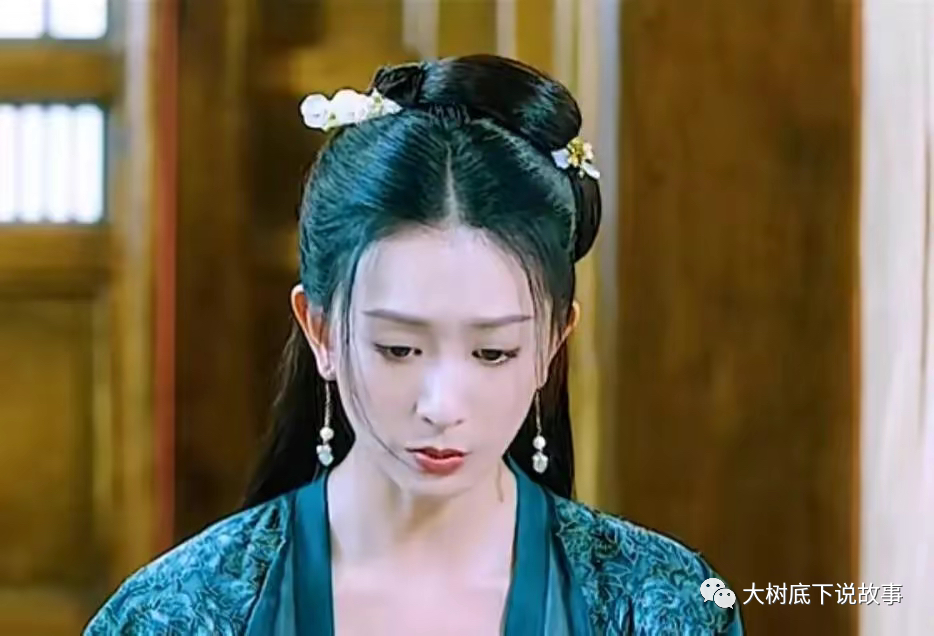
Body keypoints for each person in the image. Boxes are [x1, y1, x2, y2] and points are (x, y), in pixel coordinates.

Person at [85, 54, 743, 635]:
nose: (442, 405)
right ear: (321, 331)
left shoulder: (658, 608)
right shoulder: (179, 614)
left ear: (552, 341)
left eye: (493, 352)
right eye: (399, 348)